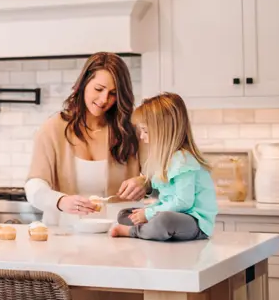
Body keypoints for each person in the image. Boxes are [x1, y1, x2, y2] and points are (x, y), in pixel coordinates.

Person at [26, 52, 147, 227]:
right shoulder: (53, 129)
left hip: (120, 234)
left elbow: (160, 174)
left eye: (113, 94)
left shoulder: (132, 130)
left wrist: (144, 183)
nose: (104, 99)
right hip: (65, 233)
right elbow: (34, 184)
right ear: (83, 84)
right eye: (99, 89)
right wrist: (60, 201)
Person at [110, 92, 217, 241]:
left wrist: (148, 213)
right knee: (125, 214)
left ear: (163, 131)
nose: (141, 137)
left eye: (146, 131)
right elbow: (163, 196)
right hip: (173, 214)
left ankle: (133, 232)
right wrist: (147, 209)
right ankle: (145, 228)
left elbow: (183, 203)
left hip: (193, 221)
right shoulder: (167, 160)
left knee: (164, 221)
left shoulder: (183, 160)